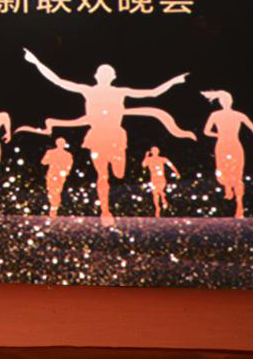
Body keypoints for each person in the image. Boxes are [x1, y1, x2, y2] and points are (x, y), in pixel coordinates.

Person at [17, 49, 194, 227]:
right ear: (96, 76)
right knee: (102, 175)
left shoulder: (120, 92)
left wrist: (174, 81)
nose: (104, 77)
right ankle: (105, 211)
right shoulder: (88, 90)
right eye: (102, 74)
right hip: (97, 136)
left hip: (116, 136)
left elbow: (153, 93)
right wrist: (36, 62)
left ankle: (110, 195)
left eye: (107, 74)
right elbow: (58, 81)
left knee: (118, 173)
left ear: (113, 77)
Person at [201, 90, 253, 219]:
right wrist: (219, 134)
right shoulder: (216, 115)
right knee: (223, 172)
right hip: (224, 146)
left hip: (231, 145)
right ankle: (228, 186)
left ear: (230, 102)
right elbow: (206, 131)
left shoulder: (236, 115)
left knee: (237, 174)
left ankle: (239, 205)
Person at [140, 146, 179, 218]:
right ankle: (158, 207)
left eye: (156, 150)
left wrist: (176, 172)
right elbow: (143, 165)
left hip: (161, 178)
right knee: (155, 194)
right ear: (151, 152)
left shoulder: (162, 159)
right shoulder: (149, 159)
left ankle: (163, 198)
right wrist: (146, 156)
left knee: (159, 190)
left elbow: (170, 165)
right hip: (153, 179)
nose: (155, 152)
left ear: (158, 151)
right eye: (153, 151)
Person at [40, 137, 74, 217]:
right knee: (54, 191)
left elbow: (69, 165)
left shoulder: (66, 154)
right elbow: (44, 162)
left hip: (57, 174)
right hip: (55, 174)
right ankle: (54, 207)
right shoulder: (60, 154)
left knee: (54, 191)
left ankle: (54, 208)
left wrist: (65, 172)